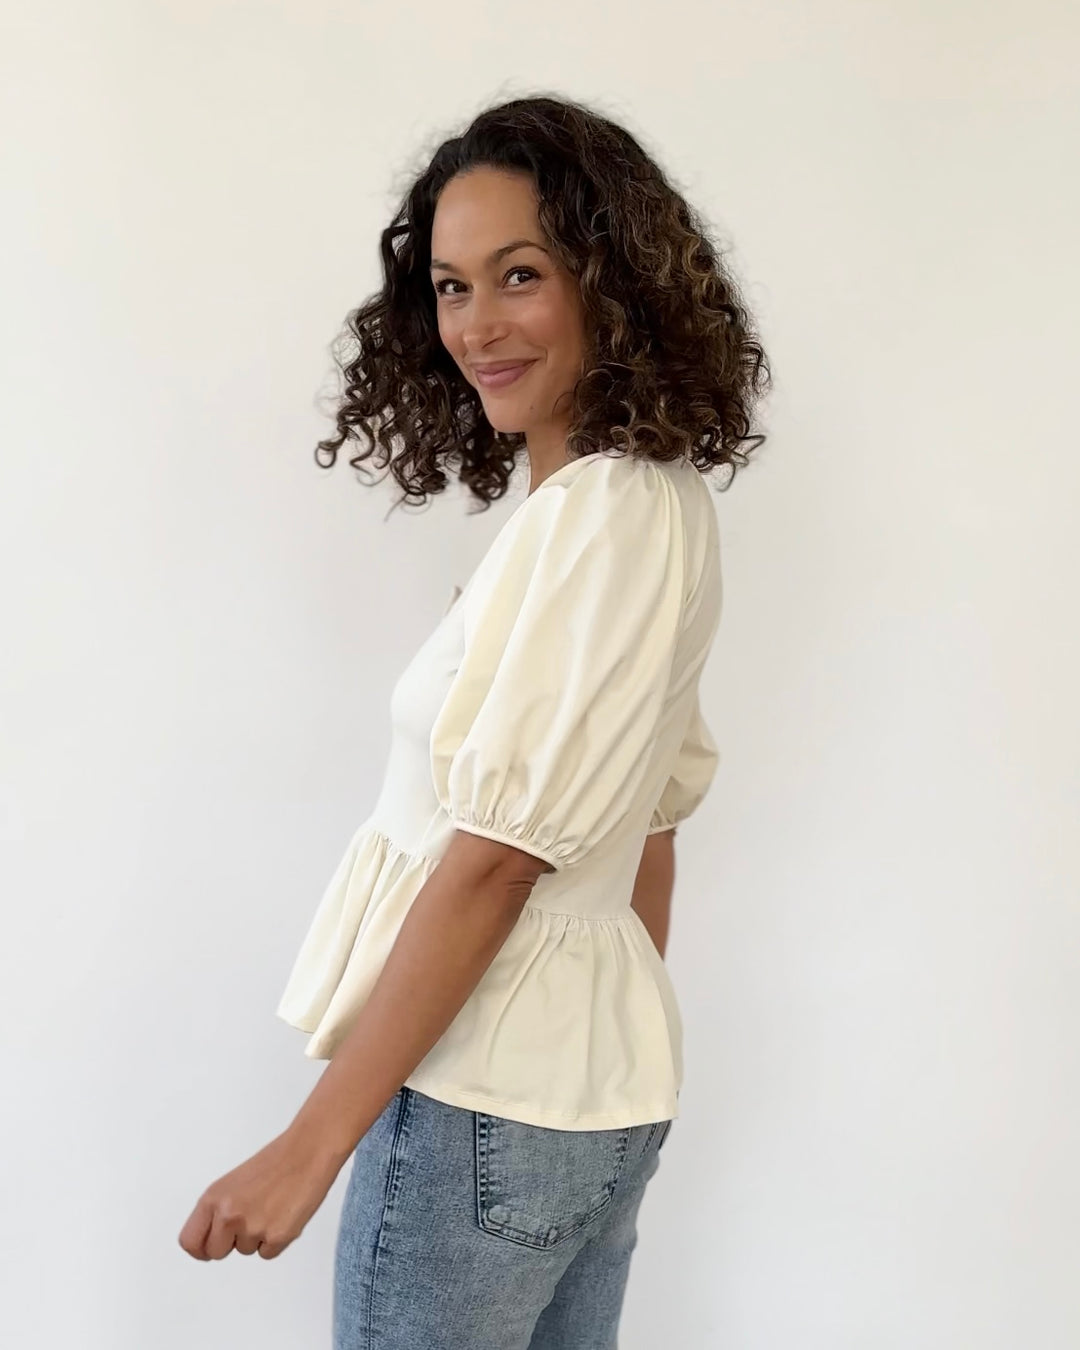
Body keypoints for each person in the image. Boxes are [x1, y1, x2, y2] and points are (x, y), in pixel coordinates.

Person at [178, 92, 770, 1348]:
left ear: (613, 282)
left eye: (520, 275)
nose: (476, 326)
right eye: (451, 287)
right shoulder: (647, 504)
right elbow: (651, 826)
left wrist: (309, 1147)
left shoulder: (600, 513)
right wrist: (586, 1049)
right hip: (583, 1109)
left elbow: (497, 856)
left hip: (476, 1103)